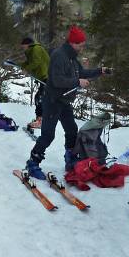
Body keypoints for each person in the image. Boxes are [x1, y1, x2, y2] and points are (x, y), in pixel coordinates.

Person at [25, 26, 112, 180]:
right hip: (53, 100)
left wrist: (100, 71)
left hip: (64, 100)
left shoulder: (72, 57)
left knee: (72, 130)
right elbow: (58, 80)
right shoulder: (59, 56)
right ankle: (33, 163)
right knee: (48, 135)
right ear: (73, 43)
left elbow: (82, 73)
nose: (82, 47)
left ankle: (70, 159)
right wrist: (77, 82)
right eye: (80, 44)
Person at [19, 36, 49, 129]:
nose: (23, 49)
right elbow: (29, 62)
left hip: (49, 76)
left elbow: (36, 62)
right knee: (39, 97)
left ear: (28, 45)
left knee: (40, 98)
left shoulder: (36, 49)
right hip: (44, 77)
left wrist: (27, 69)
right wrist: (21, 65)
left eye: (23, 47)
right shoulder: (31, 51)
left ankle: (41, 121)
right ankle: (40, 119)